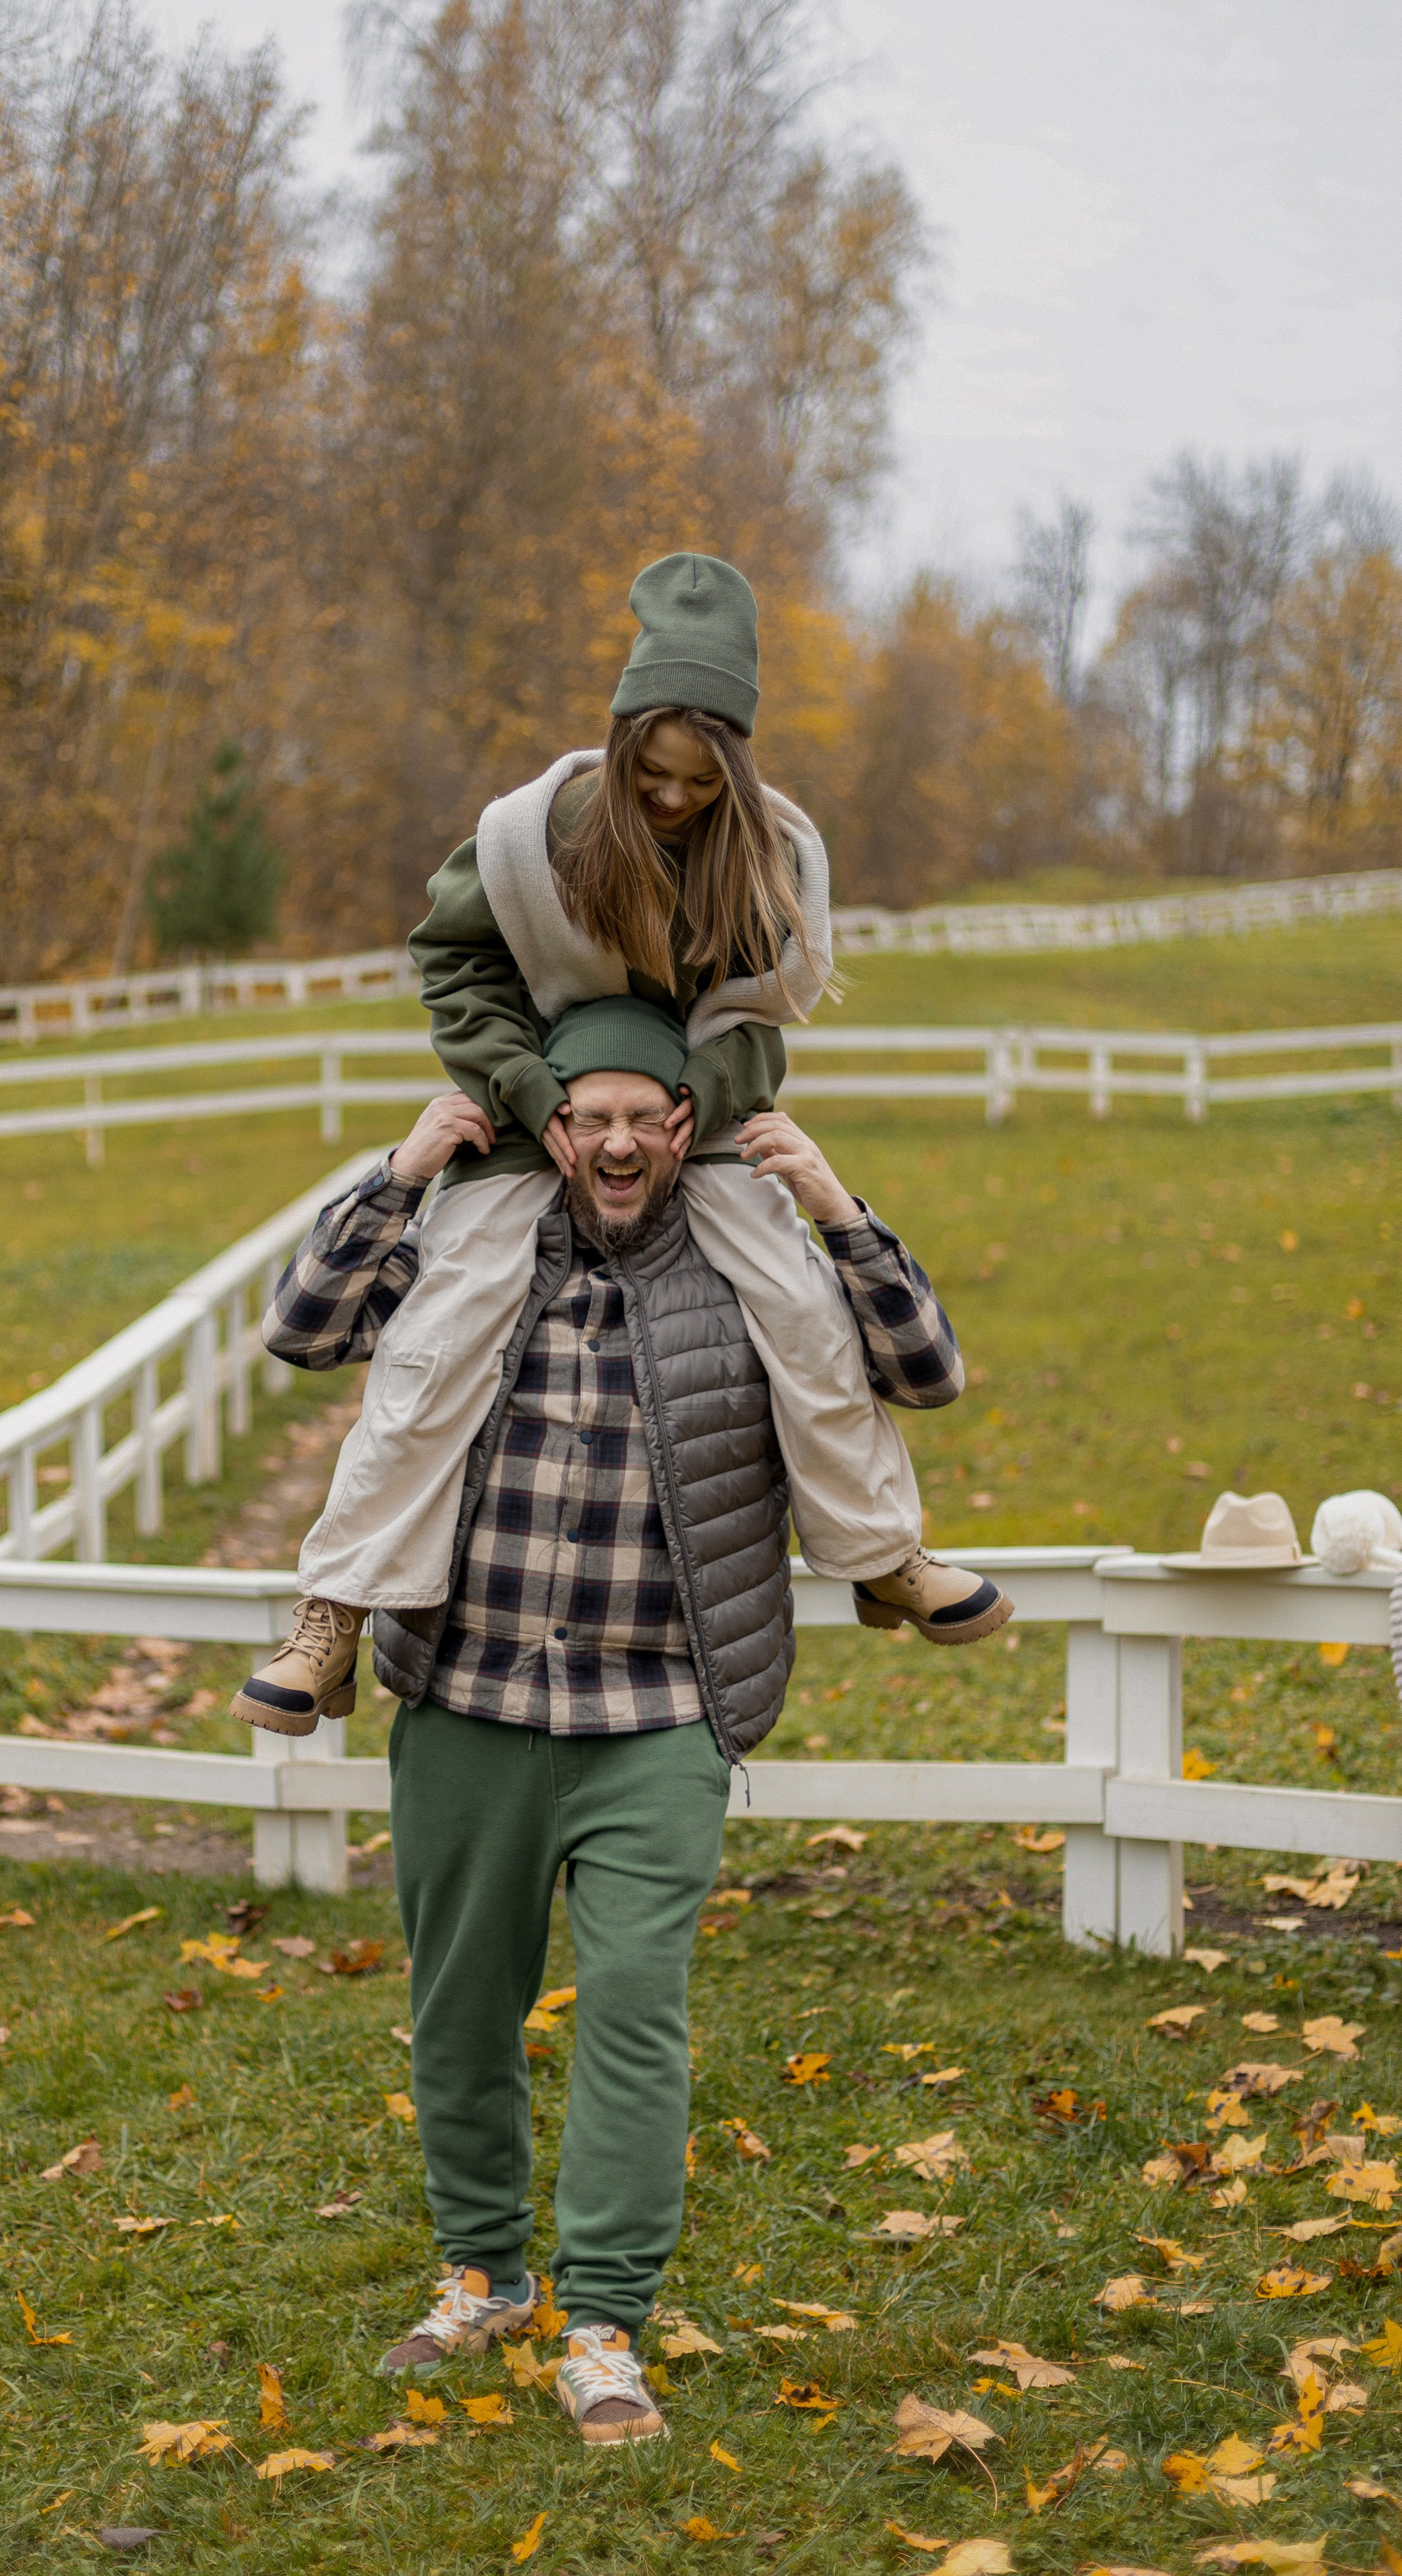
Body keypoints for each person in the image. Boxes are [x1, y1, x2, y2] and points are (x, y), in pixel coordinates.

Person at [253, 1013, 966, 2443]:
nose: (622, 1143)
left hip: (659, 1709)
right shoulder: (472, 1242)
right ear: (557, 1131)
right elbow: (307, 1329)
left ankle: (603, 2323)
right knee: (461, 2012)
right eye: (594, 1121)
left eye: (649, 1117)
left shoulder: (750, 1258)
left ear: (685, 1126)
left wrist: (837, 1207)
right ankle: (483, 2276)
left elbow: (921, 1371)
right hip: (468, 1699)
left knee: (635, 2019)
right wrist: (397, 1173)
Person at [234, 551, 1007, 1737]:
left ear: (736, 768)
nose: (672, 800)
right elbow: (453, 962)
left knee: (800, 1310)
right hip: (538, 1108)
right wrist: (524, 1084)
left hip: (693, 1123)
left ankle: (883, 1552)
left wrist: (701, 1088)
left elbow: (764, 1010)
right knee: (441, 1336)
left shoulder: (774, 857)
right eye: (652, 773)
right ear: (621, 742)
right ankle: (335, 1609)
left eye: (700, 781)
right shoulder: (526, 836)